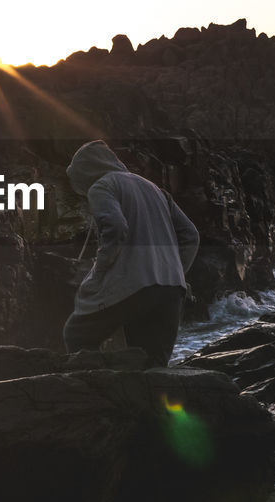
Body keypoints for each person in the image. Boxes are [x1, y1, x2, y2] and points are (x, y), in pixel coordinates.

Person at [62, 140, 200, 366]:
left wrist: (99, 273)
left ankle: (93, 394)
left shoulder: (102, 186)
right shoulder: (155, 189)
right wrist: (177, 272)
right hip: (172, 291)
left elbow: (116, 228)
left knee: (77, 333)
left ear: (86, 171)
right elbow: (191, 235)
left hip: (134, 285)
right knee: (152, 363)